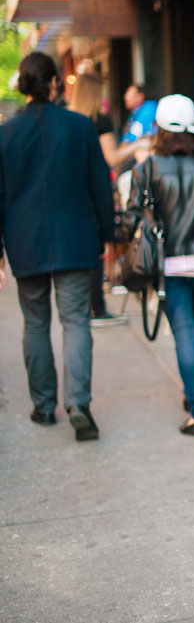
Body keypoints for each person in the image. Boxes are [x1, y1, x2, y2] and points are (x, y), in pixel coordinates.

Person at [0, 51, 114, 441]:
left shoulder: (5, 134)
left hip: (24, 240)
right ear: (52, 83)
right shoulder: (80, 126)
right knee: (76, 320)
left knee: (35, 324)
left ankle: (44, 406)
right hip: (75, 237)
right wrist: (109, 236)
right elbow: (100, 183)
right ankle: (79, 404)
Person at [124, 94, 194, 437]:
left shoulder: (148, 168)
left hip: (168, 264)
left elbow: (130, 218)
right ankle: (193, 393)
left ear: (158, 128)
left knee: (185, 333)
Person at [67, 72, 139, 328]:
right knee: (97, 247)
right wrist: (139, 144)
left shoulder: (68, 120)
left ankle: (88, 305)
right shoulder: (98, 121)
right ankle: (97, 308)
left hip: (70, 191)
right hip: (94, 189)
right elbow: (111, 158)